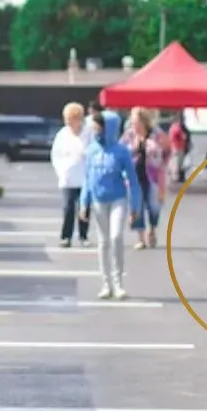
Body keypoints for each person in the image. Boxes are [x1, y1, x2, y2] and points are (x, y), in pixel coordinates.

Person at [78, 111, 142, 301]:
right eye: (94, 128)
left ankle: (118, 284)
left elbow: (133, 180)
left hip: (118, 199)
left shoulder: (121, 151)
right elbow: (87, 179)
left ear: (110, 128)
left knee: (116, 237)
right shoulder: (91, 150)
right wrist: (84, 203)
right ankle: (106, 284)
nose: (96, 132)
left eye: (100, 128)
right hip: (99, 200)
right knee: (103, 241)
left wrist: (135, 207)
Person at [122, 107, 166, 250]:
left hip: (152, 177)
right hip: (134, 177)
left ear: (144, 122)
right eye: (133, 122)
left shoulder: (156, 134)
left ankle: (152, 229)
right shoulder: (129, 136)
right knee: (137, 206)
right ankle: (141, 238)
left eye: (137, 123)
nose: (134, 126)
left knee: (154, 207)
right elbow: (121, 151)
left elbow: (167, 150)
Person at [50, 102, 89, 248]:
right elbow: (55, 155)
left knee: (84, 208)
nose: (69, 122)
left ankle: (83, 236)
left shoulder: (87, 133)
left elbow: (91, 152)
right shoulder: (62, 134)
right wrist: (60, 171)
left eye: (71, 118)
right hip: (67, 177)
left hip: (84, 177)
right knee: (68, 207)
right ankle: (66, 236)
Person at [168, 115, 190, 184]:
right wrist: (183, 136)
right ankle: (176, 177)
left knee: (177, 163)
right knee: (178, 163)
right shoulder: (177, 127)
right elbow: (180, 135)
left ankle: (177, 176)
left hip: (177, 147)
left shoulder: (174, 127)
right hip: (178, 147)